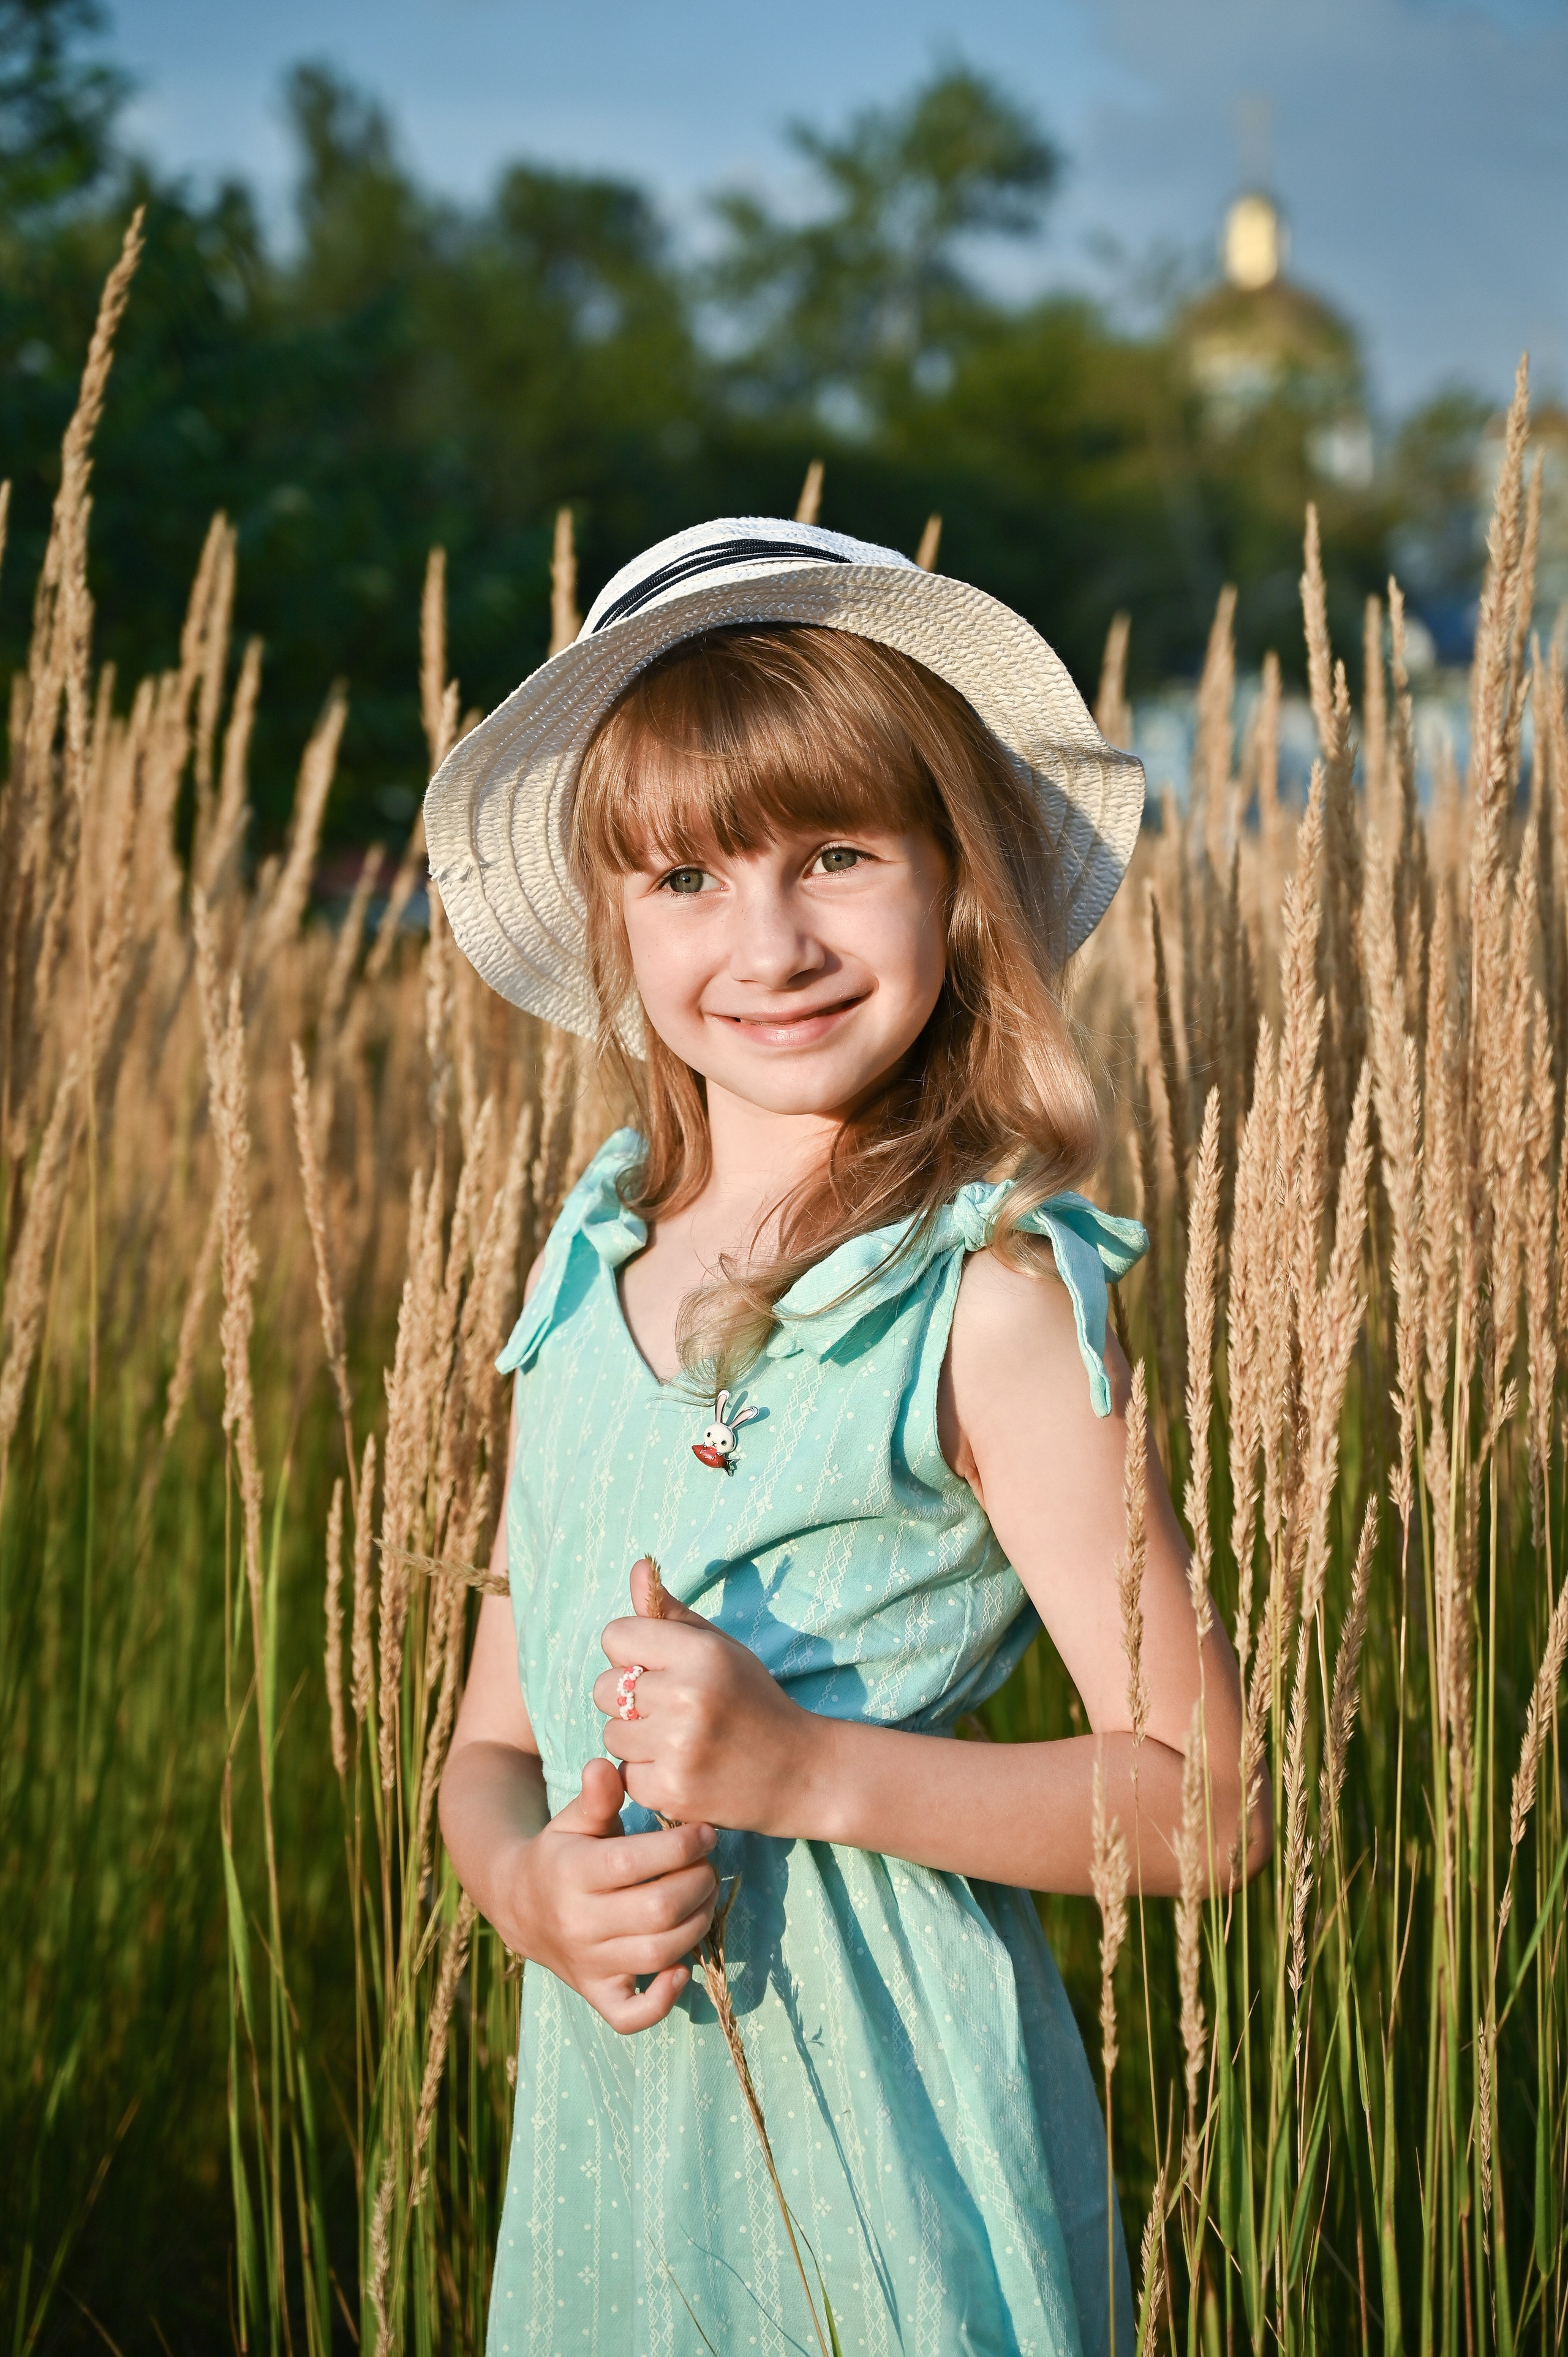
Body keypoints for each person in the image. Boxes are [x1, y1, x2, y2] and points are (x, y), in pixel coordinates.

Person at [431, 518, 1269, 2357]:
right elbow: (489, 1747)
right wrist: (532, 1891)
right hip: (610, 2169)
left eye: (835, 855)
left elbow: (1206, 1805)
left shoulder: (981, 1305)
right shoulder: (583, 1279)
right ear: (612, 921)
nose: (770, 941)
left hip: (880, 2164)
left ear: (955, 883)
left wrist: (806, 1774)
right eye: (686, 879)